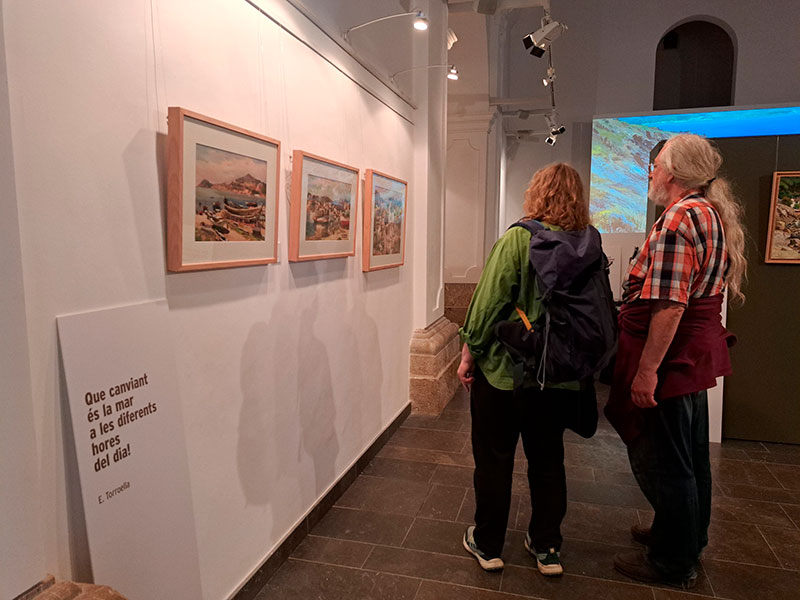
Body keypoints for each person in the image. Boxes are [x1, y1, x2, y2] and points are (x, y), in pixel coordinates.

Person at [606, 134, 746, 588]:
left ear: (675, 172)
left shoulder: (680, 219)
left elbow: (669, 305)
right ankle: (682, 535)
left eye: (656, 164)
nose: (650, 172)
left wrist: (646, 371)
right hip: (689, 357)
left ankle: (672, 561)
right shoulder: (708, 213)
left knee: (671, 461)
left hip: (672, 361)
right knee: (690, 458)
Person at [457, 163, 595, 576]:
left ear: (536, 193)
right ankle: (547, 546)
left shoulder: (519, 239)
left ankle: (488, 544)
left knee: (495, 459)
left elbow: (485, 307)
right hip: (559, 376)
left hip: (505, 375)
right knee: (549, 460)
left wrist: (468, 355)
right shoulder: (588, 244)